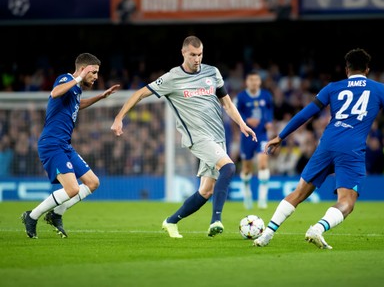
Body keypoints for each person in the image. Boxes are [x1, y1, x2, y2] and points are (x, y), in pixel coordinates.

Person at [253, 48, 384, 249]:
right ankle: (318, 228)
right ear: (367, 69)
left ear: (346, 69)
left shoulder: (332, 88)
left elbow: (306, 114)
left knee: (298, 193)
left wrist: (280, 136)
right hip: (351, 148)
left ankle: (267, 234)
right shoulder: (379, 89)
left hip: (327, 143)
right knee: (347, 202)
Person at [111, 35, 257, 238]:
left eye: (200, 54)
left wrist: (242, 124)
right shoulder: (172, 78)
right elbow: (140, 94)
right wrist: (119, 117)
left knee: (206, 191)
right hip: (197, 137)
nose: (197, 59)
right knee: (229, 167)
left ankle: (170, 222)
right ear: (183, 53)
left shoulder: (212, 72)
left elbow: (227, 103)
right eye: (193, 55)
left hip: (218, 137)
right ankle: (216, 220)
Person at [21, 53, 120, 239]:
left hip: (64, 145)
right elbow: (55, 93)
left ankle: (56, 214)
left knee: (93, 182)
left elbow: (77, 105)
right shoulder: (66, 79)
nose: (96, 77)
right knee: (72, 189)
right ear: (84, 69)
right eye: (94, 72)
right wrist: (79, 78)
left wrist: (100, 97)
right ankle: (31, 216)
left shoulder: (76, 89)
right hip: (51, 144)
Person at [235, 70, 274, 209]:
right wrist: (246, 120)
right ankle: (247, 194)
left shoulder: (266, 95)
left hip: (262, 134)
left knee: (263, 163)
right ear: (247, 82)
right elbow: (235, 113)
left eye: (256, 80)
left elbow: (269, 109)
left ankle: (263, 199)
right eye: (251, 80)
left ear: (259, 82)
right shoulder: (241, 97)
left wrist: (269, 120)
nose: (254, 82)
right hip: (247, 136)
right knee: (247, 169)